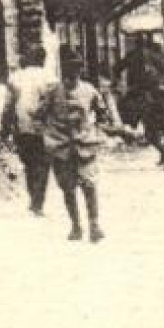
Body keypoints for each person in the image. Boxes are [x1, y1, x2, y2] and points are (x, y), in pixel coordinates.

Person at [34, 47, 114, 243]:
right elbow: (39, 115)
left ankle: (94, 225)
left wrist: (97, 128)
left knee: (89, 185)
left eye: (76, 70)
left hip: (85, 146)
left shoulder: (89, 90)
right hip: (61, 148)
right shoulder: (53, 92)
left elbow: (103, 113)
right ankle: (76, 225)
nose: (72, 75)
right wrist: (46, 135)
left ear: (80, 71)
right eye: (69, 70)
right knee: (68, 189)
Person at [2, 44, 54, 216]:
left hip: (21, 127)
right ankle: (38, 202)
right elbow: (54, 104)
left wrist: (5, 128)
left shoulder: (15, 77)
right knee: (43, 164)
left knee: (29, 164)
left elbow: (8, 106)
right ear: (43, 59)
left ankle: (34, 198)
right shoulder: (50, 78)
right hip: (44, 128)